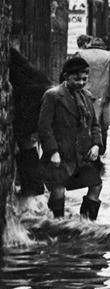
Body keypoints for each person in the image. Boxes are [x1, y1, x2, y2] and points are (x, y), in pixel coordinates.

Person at [38, 55, 104, 220]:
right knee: (58, 188)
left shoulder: (86, 96)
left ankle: (85, 224)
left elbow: (95, 124)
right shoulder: (53, 96)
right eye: (76, 79)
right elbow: (44, 127)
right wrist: (53, 152)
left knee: (96, 185)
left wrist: (96, 145)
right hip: (60, 154)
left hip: (82, 155)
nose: (81, 83)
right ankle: (57, 223)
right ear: (66, 76)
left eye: (84, 79)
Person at [9, 46, 50, 199]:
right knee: (28, 142)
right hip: (37, 95)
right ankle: (33, 188)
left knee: (24, 139)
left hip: (31, 99)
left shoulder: (10, 56)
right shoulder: (16, 57)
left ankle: (32, 188)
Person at [75, 34, 110, 156]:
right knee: (104, 125)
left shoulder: (81, 54)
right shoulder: (109, 56)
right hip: (104, 96)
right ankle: (101, 154)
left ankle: (85, 155)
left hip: (83, 95)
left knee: (84, 124)